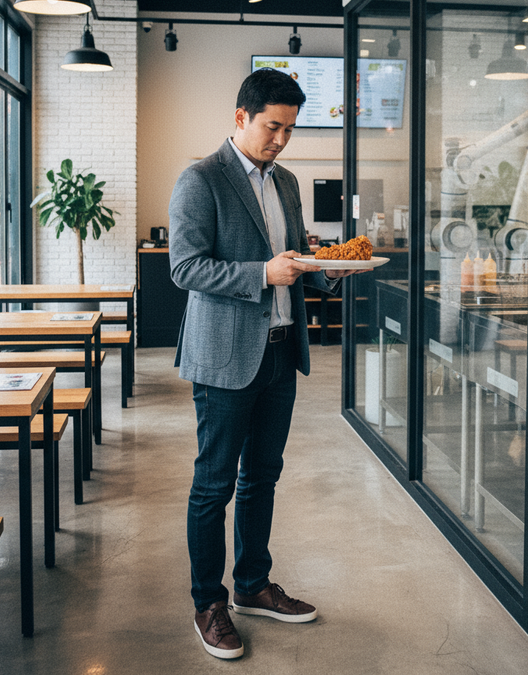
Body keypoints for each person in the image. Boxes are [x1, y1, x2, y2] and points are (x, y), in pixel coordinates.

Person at [169, 68, 357, 660]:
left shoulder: (288, 183)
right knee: (214, 484)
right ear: (240, 117)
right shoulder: (201, 178)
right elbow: (185, 268)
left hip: (280, 350)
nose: (281, 139)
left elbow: (293, 260)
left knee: (262, 477)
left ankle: (252, 584)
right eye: (272, 126)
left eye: (290, 129)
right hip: (225, 357)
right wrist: (261, 273)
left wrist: (331, 270)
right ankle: (209, 603)